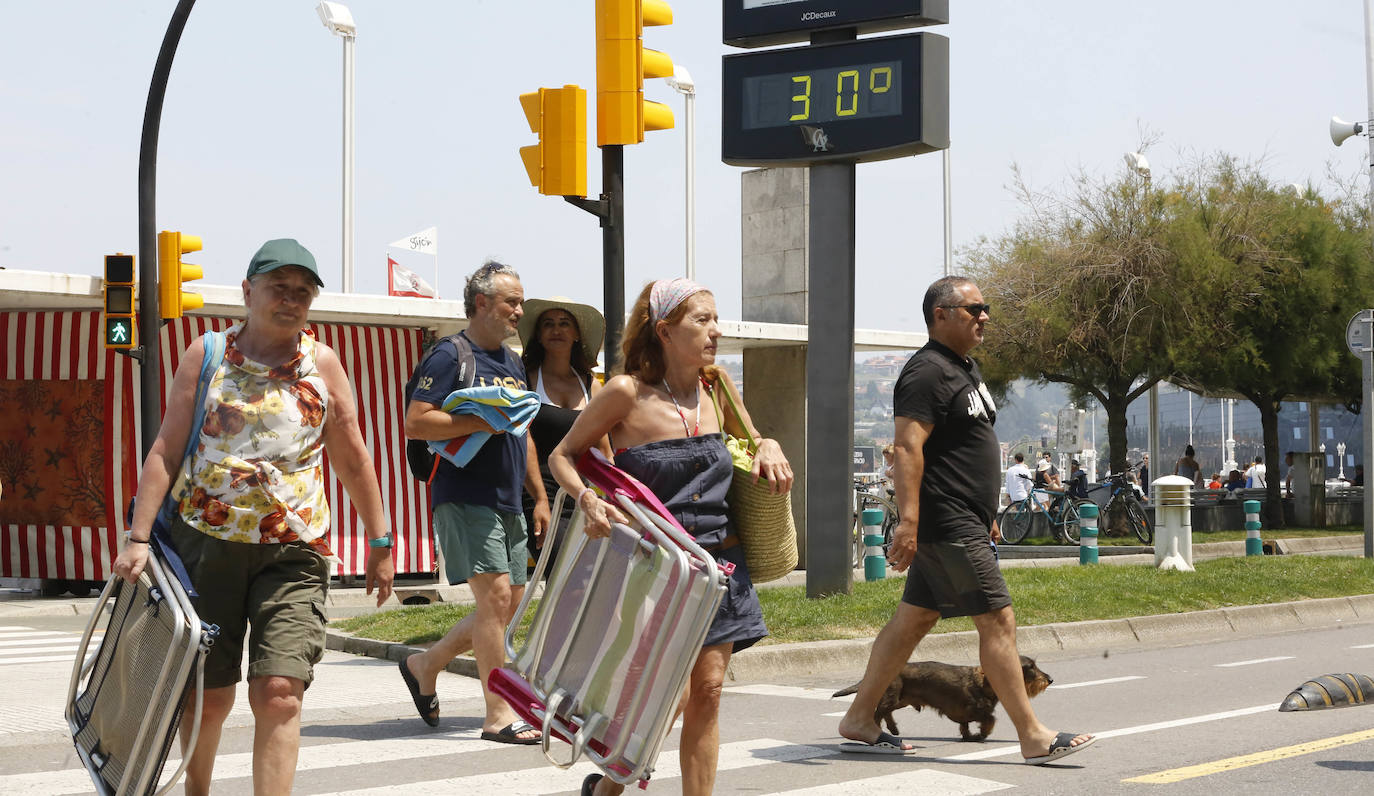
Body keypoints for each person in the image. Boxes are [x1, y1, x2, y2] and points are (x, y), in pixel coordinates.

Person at [112, 239, 395, 795]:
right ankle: (199, 789)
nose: (290, 301)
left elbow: (352, 453)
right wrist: (138, 537)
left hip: (294, 549)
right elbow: (167, 448)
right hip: (205, 546)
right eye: (278, 288)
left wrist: (380, 538)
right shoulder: (208, 353)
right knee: (208, 694)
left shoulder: (324, 363)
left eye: (302, 292)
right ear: (248, 292)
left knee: (280, 690)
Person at [548, 278, 794, 796]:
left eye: (715, 319)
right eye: (701, 320)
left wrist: (768, 443)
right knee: (662, 694)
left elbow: (751, 439)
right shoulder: (624, 394)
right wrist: (588, 499)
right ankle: (613, 782)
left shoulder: (717, 386)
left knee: (707, 691)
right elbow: (563, 456)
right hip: (656, 572)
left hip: (719, 567)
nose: (715, 330)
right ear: (664, 330)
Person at [836, 276, 1095, 765]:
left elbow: (965, 448)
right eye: (974, 308)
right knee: (996, 618)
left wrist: (989, 511)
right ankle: (1033, 736)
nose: (985, 316)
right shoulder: (926, 373)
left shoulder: (964, 368)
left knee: (915, 619)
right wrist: (908, 523)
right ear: (941, 315)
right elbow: (909, 447)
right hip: (946, 519)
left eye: (986, 308)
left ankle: (859, 716)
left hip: (966, 518)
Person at [399, 262, 550, 742]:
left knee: (509, 604)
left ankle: (426, 663)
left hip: (508, 499)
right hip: (464, 495)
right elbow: (416, 423)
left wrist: (539, 496)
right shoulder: (449, 355)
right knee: (496, 599)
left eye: (521, 302)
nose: (519, 311)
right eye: (512, 302)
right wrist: (480, 423)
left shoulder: (512, 361)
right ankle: (497, 715)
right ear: (482, 303)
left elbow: (521, 431)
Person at [517, 296, 610, 563]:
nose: (556, 330)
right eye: (548, 324)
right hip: (538, 493)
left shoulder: (592, 385)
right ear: (538, 334)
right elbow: (521, 440)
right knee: (564, 572)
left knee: (589, 578)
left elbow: (605, 451)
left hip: (585, 496)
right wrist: (539, 500)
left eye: (564, 323)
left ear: (577, 333)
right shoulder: (525, 379)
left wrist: (615, 498)